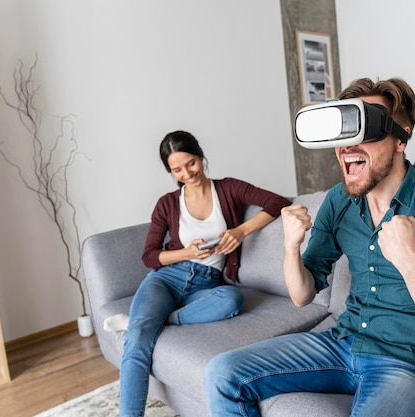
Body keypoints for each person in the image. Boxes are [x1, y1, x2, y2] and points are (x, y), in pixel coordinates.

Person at [203, 77, 415, 417]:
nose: (348, 146)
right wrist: (290, 247)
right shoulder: (338, 200)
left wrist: (412, 262)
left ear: (401, 137)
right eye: (344, 133)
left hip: (411, 363)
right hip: (343, 342)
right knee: (222, 373)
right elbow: (301, 295)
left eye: (365, 130)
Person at [119, 130, 291, 417]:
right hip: (166, 279)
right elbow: (150, 256)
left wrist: (240, 231)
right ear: (170, 171)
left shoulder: (228, 188)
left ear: (201, 156)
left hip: (206, 284)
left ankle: (164, 318)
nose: (186, 173)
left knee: (231, 300)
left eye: (191, 164)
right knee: (137, 340)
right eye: (177, 169)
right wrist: (187, 252)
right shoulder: (167, 203)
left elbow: (277, 202)